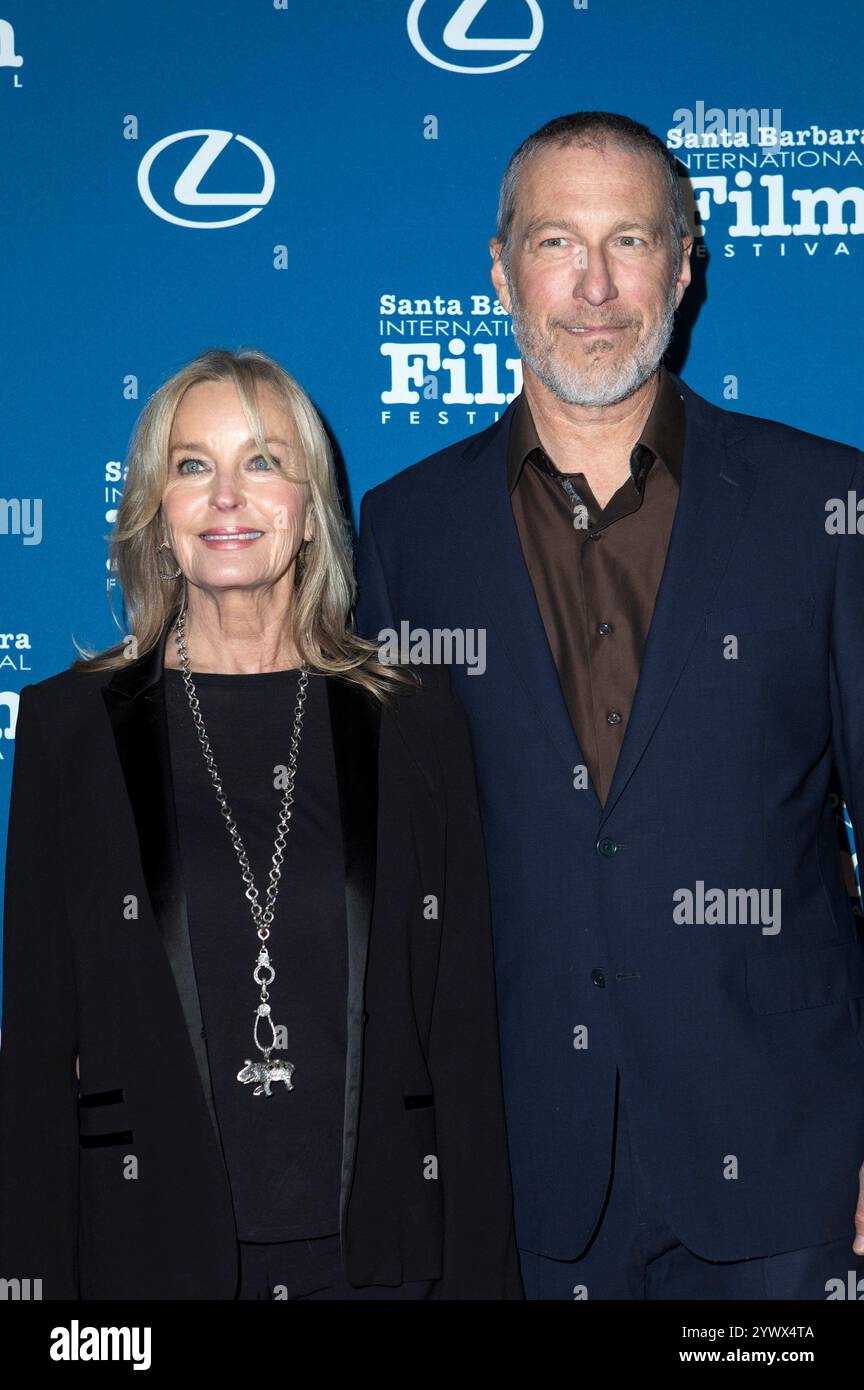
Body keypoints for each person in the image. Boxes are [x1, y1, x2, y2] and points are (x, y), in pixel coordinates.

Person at [356, 111, 864, 1300]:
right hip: (519, 1171)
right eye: (556, 243)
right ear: (501, 272)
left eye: (630, 240)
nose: (594, 287)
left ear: (683, 268)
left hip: (788, 1169)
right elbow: (387, 871)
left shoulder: (826, 505)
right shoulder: (406, 527)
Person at [0, 346, 523, 1301]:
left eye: (264, 461)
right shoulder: (68, 731)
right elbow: (35, 1054)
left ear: (311, 509)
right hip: (148, 1266)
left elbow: (462, 1037)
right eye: (192, 465)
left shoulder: (415, 721)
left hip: (383, 1264)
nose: (227, 496)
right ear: (156, 513)